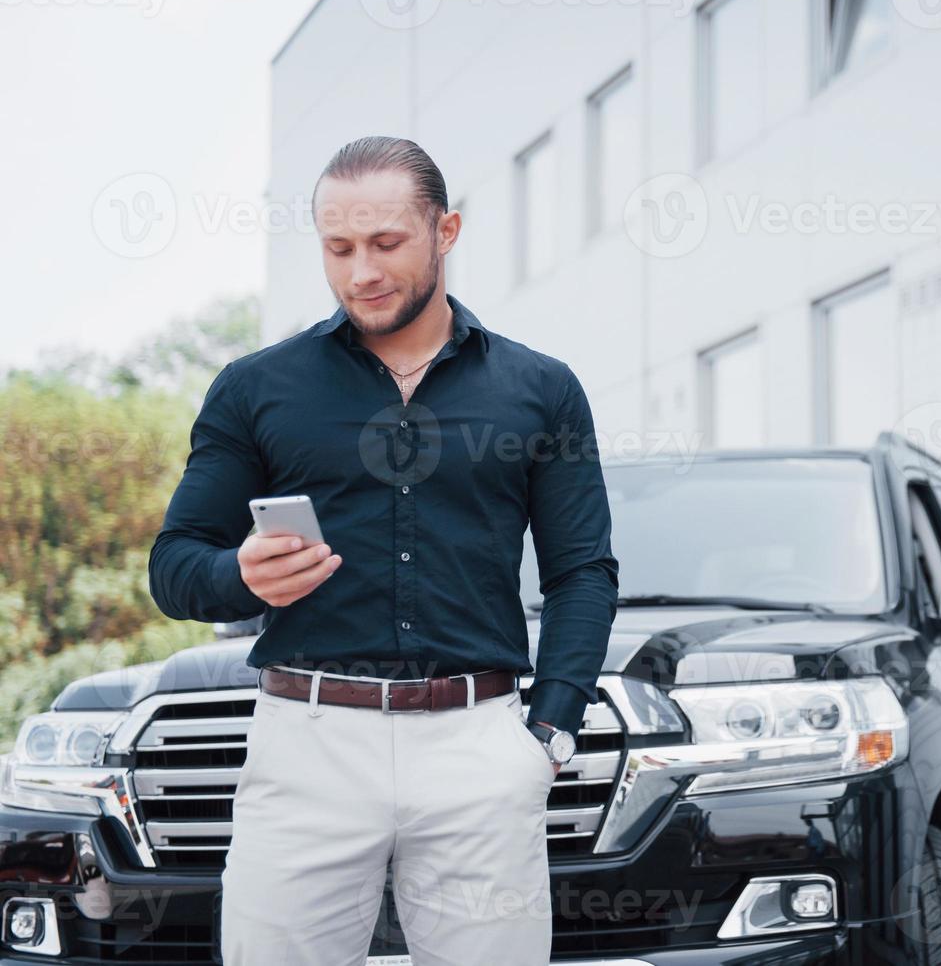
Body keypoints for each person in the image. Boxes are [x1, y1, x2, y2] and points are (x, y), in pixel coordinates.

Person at [147, 135, 619, 965]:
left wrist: (551, 730)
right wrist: (238, 575)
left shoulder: (541, 390)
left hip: (482, 747)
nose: (360, 271)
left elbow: (582, 572)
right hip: (307, 747)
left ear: (446, 232)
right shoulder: (257, 388)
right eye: (338, 248)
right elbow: (176, 563)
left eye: (387, 243)